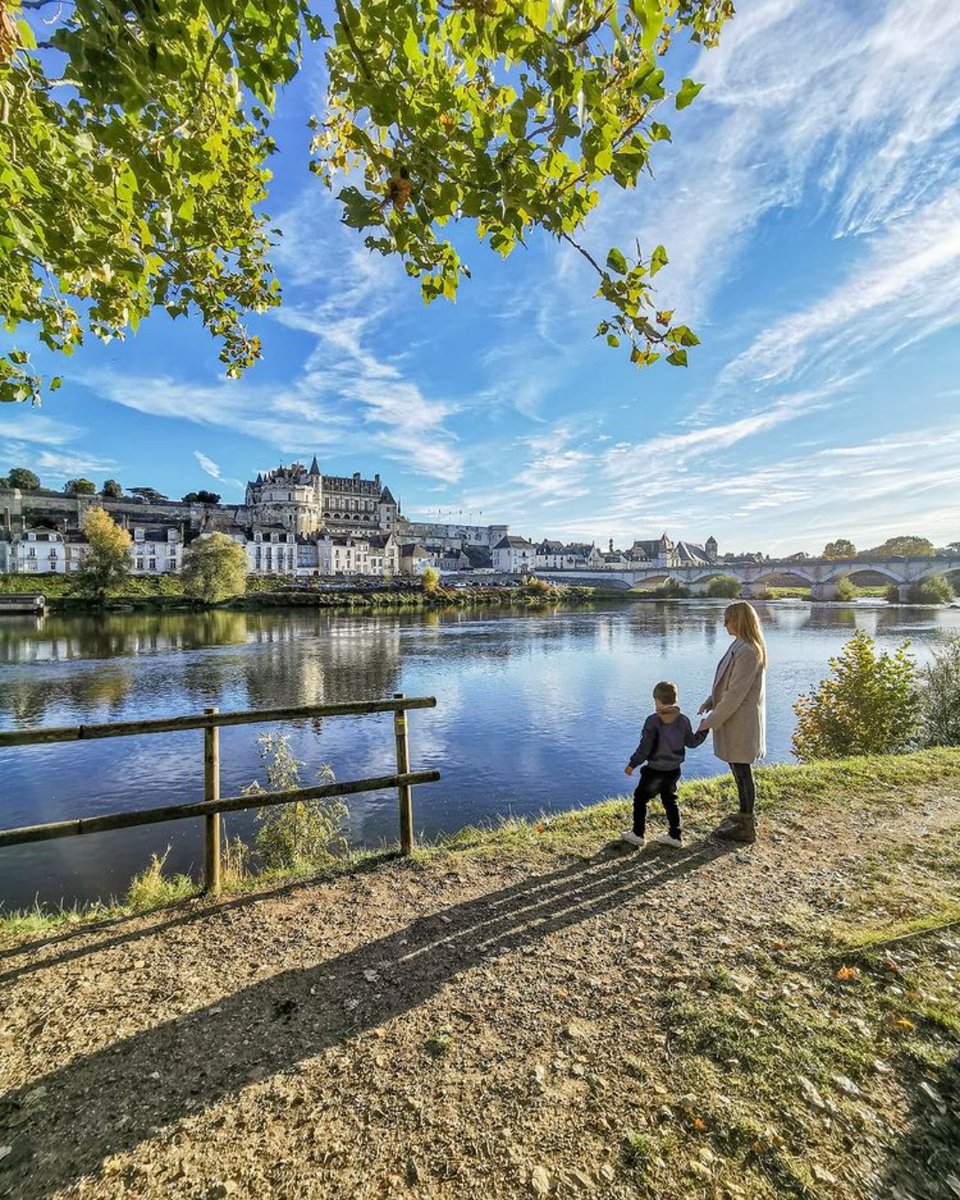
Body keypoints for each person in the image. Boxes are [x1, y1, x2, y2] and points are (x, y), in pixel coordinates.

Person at [697, 600, 767, 844]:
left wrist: (710, 721)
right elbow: (728, 683)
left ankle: (747, 825)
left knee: (742, 771)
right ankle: (743, 815)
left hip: (741, 720)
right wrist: (710, 701)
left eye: (728, 619)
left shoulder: (748, 651)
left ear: (738, 621)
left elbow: (736, 693)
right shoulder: (740, 646)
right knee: (738, 769)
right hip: (735, 717)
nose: (724, 624)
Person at [622, 680, 707, 848]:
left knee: (640, 799)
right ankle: (675, 836)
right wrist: (704, 729)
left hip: (654, 770)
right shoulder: (683, 720)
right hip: (673, 771)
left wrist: (632, 764)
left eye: (655, 701)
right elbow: (692, 742)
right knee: (670, 801)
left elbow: (645, 749)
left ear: (658, 701)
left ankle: (638, 834)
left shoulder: (653, 721)